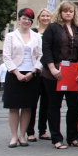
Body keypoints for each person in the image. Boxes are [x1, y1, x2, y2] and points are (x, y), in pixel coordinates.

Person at [41, 1, 78, 149]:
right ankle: (56, 138)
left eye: (71, 11)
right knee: (54, 105)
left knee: (74, 106)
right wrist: (52, 68)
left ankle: (72, 137)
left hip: (74, 72)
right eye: (66, 11)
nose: (68, 13)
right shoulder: (52, 28)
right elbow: (46, 48)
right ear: (60, 12)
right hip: (55, 71)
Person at [2, 9, 43, 148]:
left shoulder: (36, 36)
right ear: (19, 19)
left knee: (27, 107)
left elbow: (40, 56)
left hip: (31, 73)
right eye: (24, 18)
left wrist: (32, 72)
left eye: (29, 19)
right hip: (14, 73)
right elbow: (6, 56)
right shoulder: (11, 36)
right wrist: (17, 73)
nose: (26, 21)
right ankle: (14, 136)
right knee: (13, 107)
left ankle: (22, 135)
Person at [27, 8, 51, 142]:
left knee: (46, 103)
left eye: (48, 16)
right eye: (43, 16)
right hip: (35, 70)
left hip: (47, 71)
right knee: (32, 102)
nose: (45, 18)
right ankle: (30, 131)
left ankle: (42, 130)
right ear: (39, 18)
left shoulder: (53, 31)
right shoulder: (33, 33)